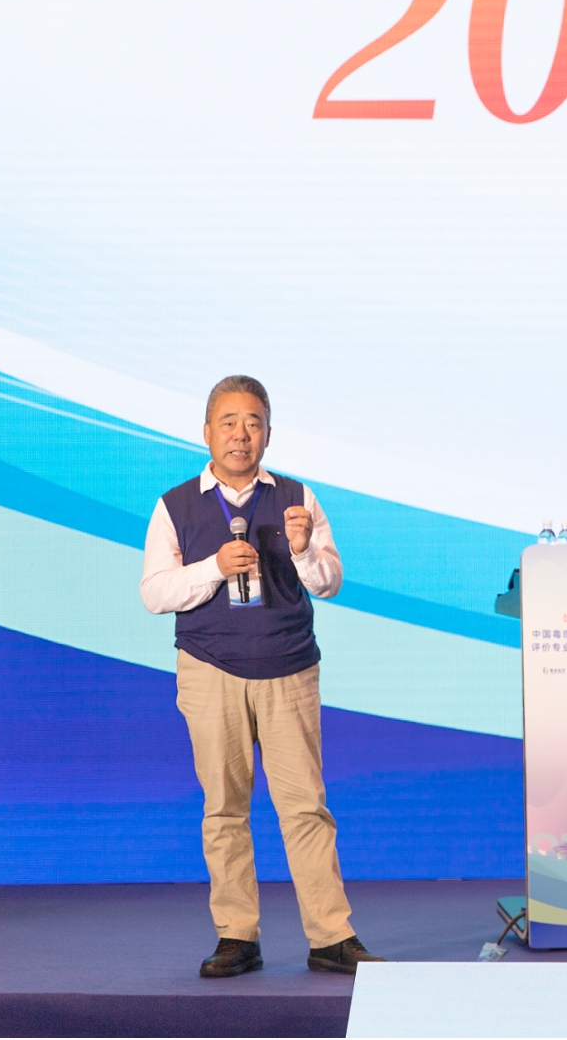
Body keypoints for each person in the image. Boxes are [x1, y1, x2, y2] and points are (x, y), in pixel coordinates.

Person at [140, 375, 383, 977]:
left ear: (268, 434)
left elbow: (330, 582)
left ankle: (331, 936)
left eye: (253, 423)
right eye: (228, 422)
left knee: (305, 808)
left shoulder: (298, 498)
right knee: (224, 809)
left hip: (288, 669)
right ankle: (236, 936)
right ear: (206, 432)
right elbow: (155, 593)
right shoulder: (175, 505)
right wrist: (214, 567)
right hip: (209, 669)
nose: (240, 435)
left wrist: (302, 549)